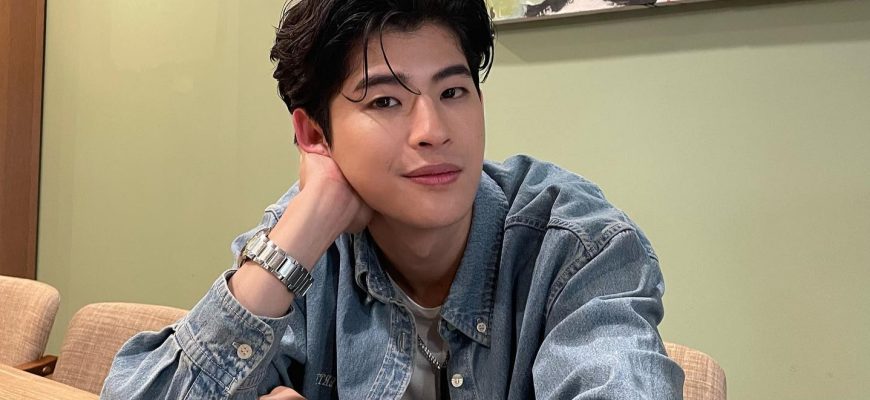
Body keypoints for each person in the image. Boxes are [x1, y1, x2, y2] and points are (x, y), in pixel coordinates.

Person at [102, 0, 685, 399]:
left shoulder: (575, 248)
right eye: (385, 101)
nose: (434, 130)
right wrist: (299, 235)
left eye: (453, 91)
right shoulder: (307, 247)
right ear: (314, 134)